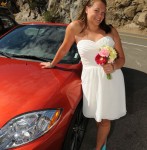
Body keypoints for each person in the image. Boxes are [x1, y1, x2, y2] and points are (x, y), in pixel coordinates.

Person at [40, 0, 126, 149]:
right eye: (97, 11)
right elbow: (64, 47)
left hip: (110, 79)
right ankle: (103, 136)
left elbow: (122, 59)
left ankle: (99, 147)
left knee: (105, 119)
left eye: (103, 12)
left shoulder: (111, 30)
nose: (100, 16)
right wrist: (52, 63)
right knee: (97, 117)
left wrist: (113, 65)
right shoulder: (75, 27)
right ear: (87, 8)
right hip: (90, 79)